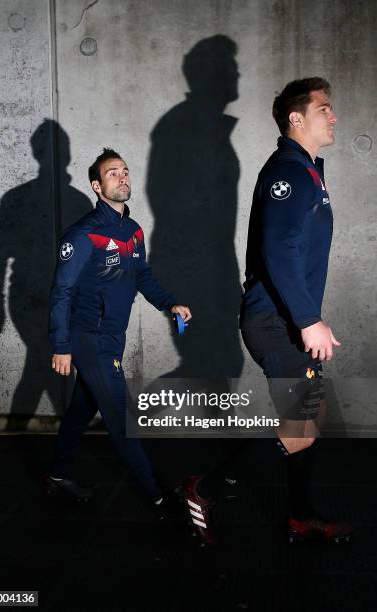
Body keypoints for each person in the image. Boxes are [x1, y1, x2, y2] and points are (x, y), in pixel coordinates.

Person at [184, 77, 353, 545]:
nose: (334, 116)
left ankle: (301, 515)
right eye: (325, 108)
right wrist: (307, 321)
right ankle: (205, 488)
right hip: (274, 321)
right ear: (296, 118)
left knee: (308, 418)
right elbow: (277, 248)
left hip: (287, 321)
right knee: (302, 425)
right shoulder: (288, 172)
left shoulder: (309, 170)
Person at [47, 147, 191, 512]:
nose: (123, 177)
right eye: (113, 173)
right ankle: (159, 496)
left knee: (82, 408)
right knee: (123, 420)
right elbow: (61, 290)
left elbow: (142, 275)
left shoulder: (133, 231)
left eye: (125, 171)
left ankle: (58, 474)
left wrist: (169, 303)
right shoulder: (83, 235)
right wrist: (61, 345)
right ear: (97, 186)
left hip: (112, 335)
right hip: (88, 338)